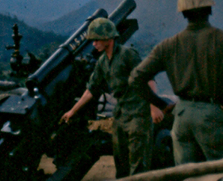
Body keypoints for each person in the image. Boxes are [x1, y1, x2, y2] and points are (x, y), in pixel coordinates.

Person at [129, 0, 223, 165]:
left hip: (182, 117)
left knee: (188, 175)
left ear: (183, 12)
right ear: (210, 8)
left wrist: (162, 105)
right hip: (213, 115)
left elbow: (135, 79)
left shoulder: (168, 46)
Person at [60, 17, 163, 178]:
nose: (93, 44)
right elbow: (90, 90)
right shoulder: (102, 62)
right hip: (121, 115)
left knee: (139, 165)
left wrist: (154, 107)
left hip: (138, 114)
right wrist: (72, 111)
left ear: (108, 37)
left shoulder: (127, 54)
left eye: (96, 40)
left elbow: (148, 79)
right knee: (121, 165)